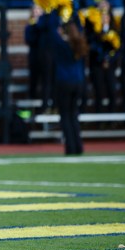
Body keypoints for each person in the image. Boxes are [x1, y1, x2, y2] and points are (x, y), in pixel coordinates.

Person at [48, 12, 88, 155]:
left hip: (64, 82)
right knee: (73, 114)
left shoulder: (62, 45)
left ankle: (70, 147)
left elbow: (51, 31)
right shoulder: (79, 43)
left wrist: (53, 10)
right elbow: (80, 27)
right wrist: (72, 12)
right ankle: (78, 146)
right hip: (78, 82)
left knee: (65, 115)